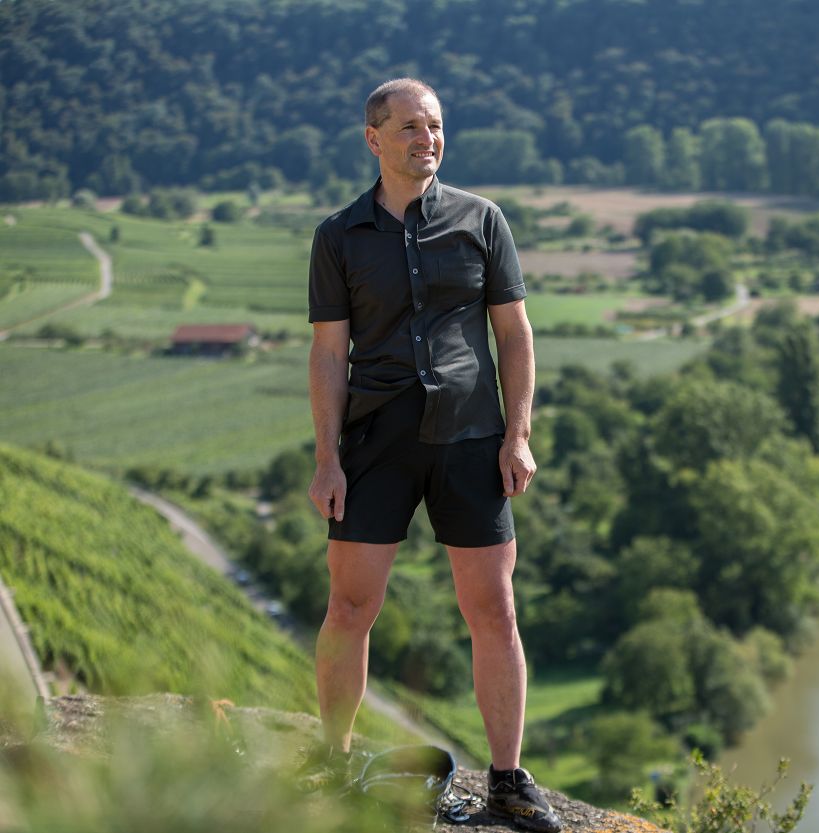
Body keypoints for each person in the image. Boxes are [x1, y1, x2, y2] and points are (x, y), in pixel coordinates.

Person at [300, 77, 561, 833]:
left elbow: (515, 335)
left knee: (494, 609)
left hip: (472, 440)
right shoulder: (338, 236)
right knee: (350, 605)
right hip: (374, 443)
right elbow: (327, 354)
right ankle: (334, 757)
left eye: (436, 125)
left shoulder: (482, 221)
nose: (428, 138)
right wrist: (327, 458)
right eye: (411, 126)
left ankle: (508, 780)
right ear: (373, 138)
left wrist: (518, 434)